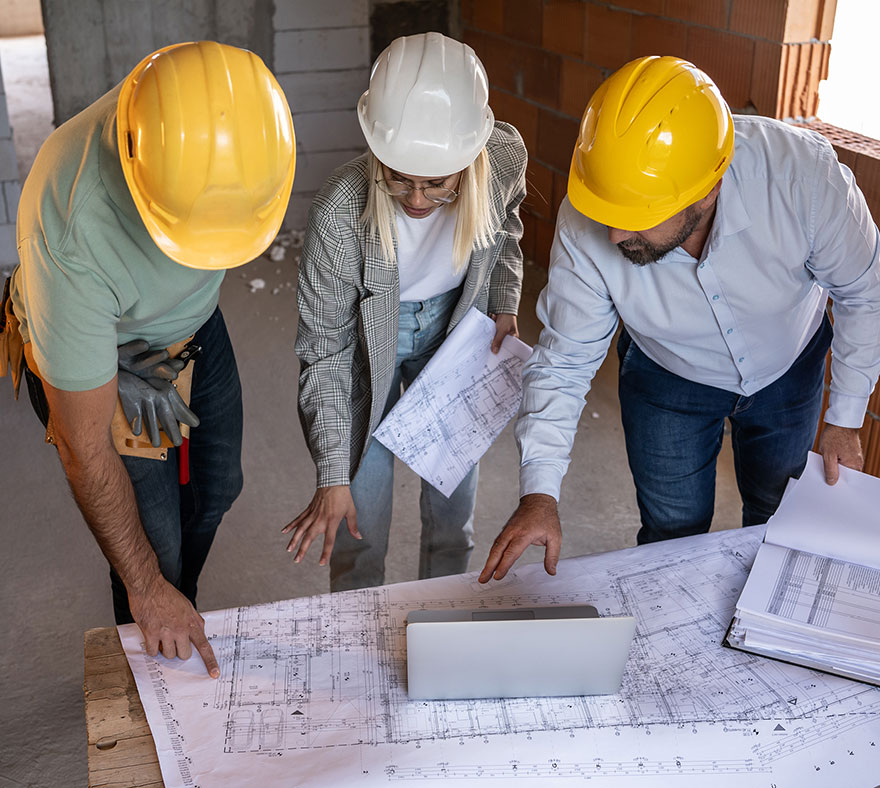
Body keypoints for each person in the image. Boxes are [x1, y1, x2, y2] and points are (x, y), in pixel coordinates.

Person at [479, 56, 880, 583]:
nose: (612, 237)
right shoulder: (588, 215)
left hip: (787, 369)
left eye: (637, 218)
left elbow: (866, 290)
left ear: (707, 189)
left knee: (779, 519)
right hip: (666, 376)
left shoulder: (799, 176)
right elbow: (563, 362)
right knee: (672, 537)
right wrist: (539, 493)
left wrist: (844, 420)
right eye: (609, 215)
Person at [1, 41, 295, 674]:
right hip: (97, 347)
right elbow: (84, 448)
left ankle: (175, 597)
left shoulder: (229, 114)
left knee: (218, 488)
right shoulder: (71, 223)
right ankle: (153, 625)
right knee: (151, 543)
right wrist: (147, 587)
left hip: (193, 325)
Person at [283, 32, 527, 591]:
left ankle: (439, 618)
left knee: (452, 510)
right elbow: (324, 353)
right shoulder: (339, 214)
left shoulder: (503, 158)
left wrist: (503, 302)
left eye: (436, 183)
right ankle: (359, 639)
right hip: (370, 341)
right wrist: (331, 473)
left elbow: (507, 228)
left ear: (469, 161)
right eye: (398, 177)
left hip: (455, 327)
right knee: (356, 518)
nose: (416, 200)